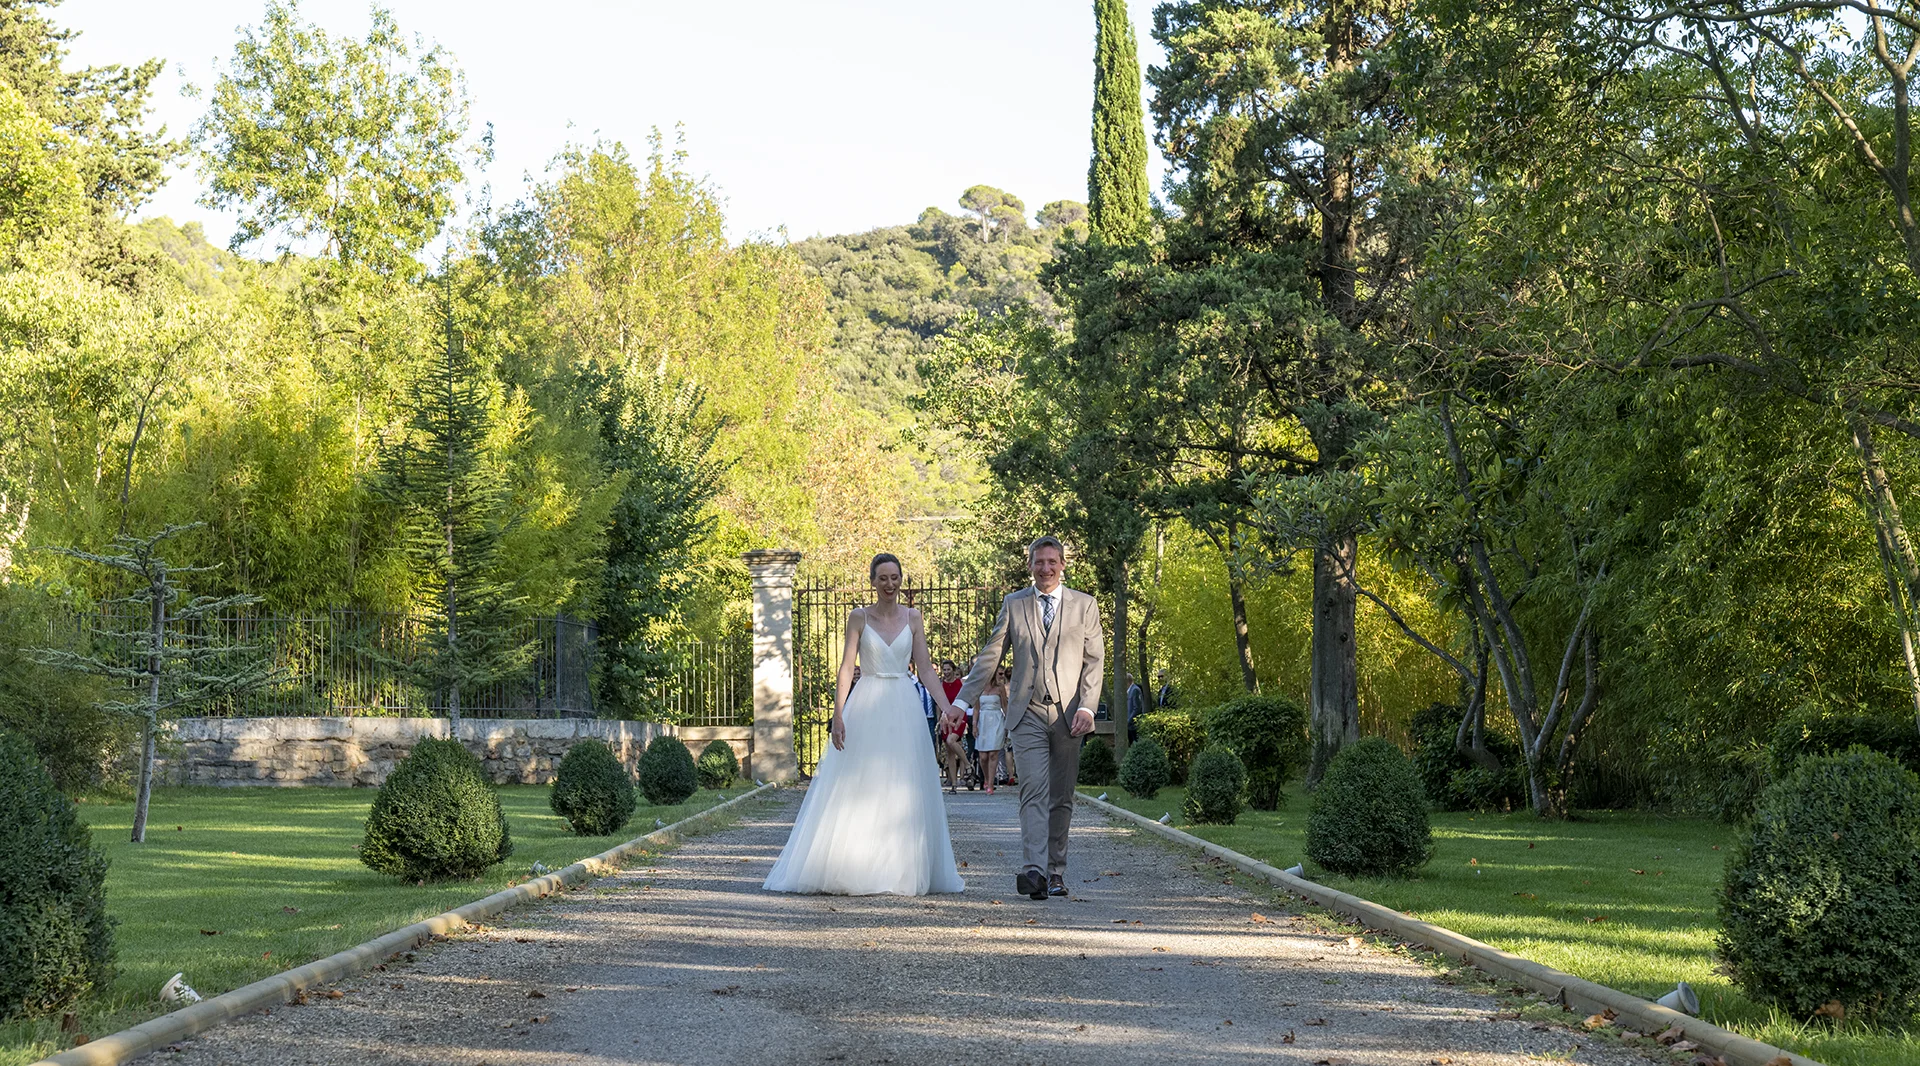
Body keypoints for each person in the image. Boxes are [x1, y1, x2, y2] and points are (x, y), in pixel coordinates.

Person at [764, 552, 965, 896]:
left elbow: (927, 669)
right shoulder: (858, 617)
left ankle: (901, 867)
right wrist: (838, 714)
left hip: (904, 703)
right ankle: (855, 865)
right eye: (883, 578)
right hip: (867, 701)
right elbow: (845, 668)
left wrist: (947, 707)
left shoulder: (913, 617)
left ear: (902, 580)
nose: (890, 584)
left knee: (905, 783)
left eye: (895, 577)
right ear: (873, 581)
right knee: (861, 781)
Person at [953, 535, 1105, 901]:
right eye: (1040, 562)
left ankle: (1056, 872)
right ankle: (1035, 871)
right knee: (1033, 790)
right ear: (1030, 565)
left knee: (1062, 796)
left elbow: (1094, 661)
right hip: (1027, 713)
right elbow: (990, 656)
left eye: (1052, 562)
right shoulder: (1014, 603)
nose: (1046, 568)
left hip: (1070, 715)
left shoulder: (1085, 605)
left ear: (1063, 565)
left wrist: (1087, 706)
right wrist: (961, 701)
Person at [975, 666, 1010, 795]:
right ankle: (986, 778)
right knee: (983, 756)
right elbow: (976, 709)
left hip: (996, 719)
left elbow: (1005, 706)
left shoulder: (1000, 688)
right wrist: (974, 724)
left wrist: (1008, 723)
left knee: (993, 754)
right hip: (983, 721)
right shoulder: (979, 688)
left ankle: (990, 784)